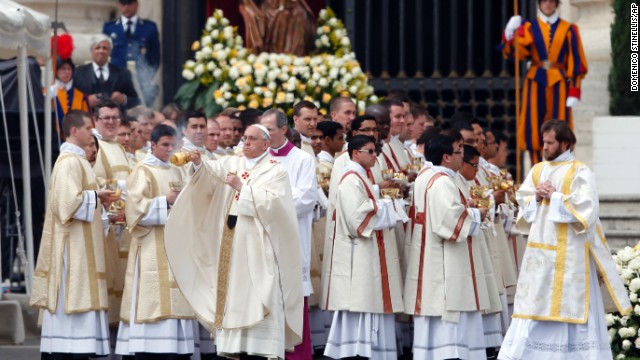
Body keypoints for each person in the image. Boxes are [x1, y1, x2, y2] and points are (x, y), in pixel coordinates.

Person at [165, 124, 304, 359]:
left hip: (260, 246)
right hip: (231, 242)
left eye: (252, 139)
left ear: (266, 144)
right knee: (233, 293)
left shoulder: (275, 170)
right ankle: (234, 344)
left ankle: (262, 348)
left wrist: (242, 188)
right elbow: (211, 174)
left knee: (262, 291)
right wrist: (198, 163)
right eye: (245, 138)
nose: (246, 142)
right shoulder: (233, 162)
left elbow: (276, 206)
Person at [498, 119, 631, 359]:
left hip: (573, 255)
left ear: (565, 143)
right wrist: (536, 198)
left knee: (573, 306)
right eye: (544, 142)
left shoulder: (581, 171)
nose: (544, 147)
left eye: (550, 143)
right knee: (535, 307)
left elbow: (588, 210)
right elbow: (523, 204)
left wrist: (556, 196)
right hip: (540, 254)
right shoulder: (537, 170)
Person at [30, 110, 119, 360]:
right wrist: (96, 196)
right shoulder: (69, 161)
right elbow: (66, 205)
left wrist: (99, 203)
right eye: (89, 128)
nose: (92, 133)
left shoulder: (78, 161)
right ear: (74, 131)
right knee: (70, 306)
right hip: (73, 250)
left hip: (83, 245)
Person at [404, 133, 490, 359]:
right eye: (459, 150)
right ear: (446, 157)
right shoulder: (442, 181)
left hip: (429, 256)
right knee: (449, 322)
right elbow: (450, 221)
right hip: (443, 261)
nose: (463, 154)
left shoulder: (425, 175)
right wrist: (477, 213)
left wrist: (465, 205)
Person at [115, 124, 196, 359]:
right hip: (151, 245)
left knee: (176, 300)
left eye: (173, 145)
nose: (170, 150)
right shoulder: (143, 170)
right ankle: (151, 348)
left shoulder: (177, 169)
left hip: (176, 245)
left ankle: (174, 349)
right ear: (153, 145)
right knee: (153, 298)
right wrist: (165, 201)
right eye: (165, 145)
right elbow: (134, 210)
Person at [322, 135, 405, 359]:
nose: (374, 156)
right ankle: (358, 351)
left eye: (375, 151)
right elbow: (356, 218)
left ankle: (373, 351)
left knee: (371, 298)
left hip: (367, 252)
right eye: (370, 151)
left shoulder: (361, 177)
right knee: (363, 299)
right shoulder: (350, 179)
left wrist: (381, 200)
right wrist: (386, 204)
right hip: (358, 253)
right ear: (355, 153)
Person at [260, 109, 317, 359]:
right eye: (261, 129)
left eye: (269, 129)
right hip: (262, 243)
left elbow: (306, 199)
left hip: (292, 243)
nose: (263, 135)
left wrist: (265, 200)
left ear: (283, 130)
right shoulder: (257, 159)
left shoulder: (302, 160)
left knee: (293, 310)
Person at [502, 0, 588, 164]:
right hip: (535, 79)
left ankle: (561, 166)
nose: (547, 4)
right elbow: (515, 54)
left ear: (556, 4)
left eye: (551, 1)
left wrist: (575, 90)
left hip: (559, 81)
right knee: (532, 125)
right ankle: (536, 167)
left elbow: (577, 61)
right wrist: (510, 33)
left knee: (560, 126)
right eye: (544, 1)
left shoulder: (569, 29)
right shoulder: (529, 27)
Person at [91, 100, 133, 328]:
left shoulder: (118, 147)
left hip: (124, 224)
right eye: (105, 118)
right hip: (108, 224)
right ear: (95, 120)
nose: (110, 122)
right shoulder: (94, 146)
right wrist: (113, 212)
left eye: (114, 118)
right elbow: (97, 183)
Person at [104, 0, 160, 106]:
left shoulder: (149, 28)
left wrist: (147, 77)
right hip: (116, 81)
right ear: (119, 5)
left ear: (136, 4)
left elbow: (155, 58)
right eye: (123, 4)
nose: (126, 7)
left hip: (141, 81)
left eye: (129, 3)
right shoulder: (110, 28)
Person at [74, 34, 140, 110]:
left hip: (114, 119)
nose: (101, 51)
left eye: (105, 48)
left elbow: (136, 101)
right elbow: (69, 98)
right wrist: (85, 101)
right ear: (91, 51)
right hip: (87, 118)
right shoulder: (78, 72)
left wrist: (123, 99)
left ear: (110, 52)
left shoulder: (123, 73)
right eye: (97, 48)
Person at [50, 33, 90, 140]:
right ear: (56, 71)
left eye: (69, 69)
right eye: (62, 69)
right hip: (53, 140)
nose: (66, 72)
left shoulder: (81, 96)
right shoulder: (47, 92)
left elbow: (88, 122)